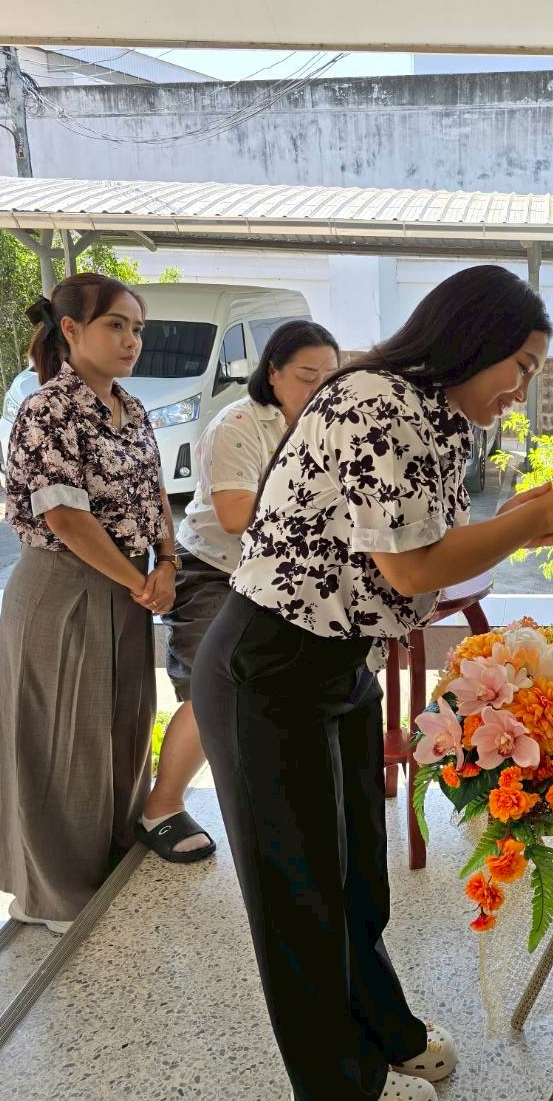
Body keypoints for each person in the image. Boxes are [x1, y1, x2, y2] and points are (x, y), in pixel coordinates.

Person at [190, 265, 553, 1101]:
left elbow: (428, 542)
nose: (522, 390)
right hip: (269, 667)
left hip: (340, 664)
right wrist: (532, 521)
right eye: (522, 367)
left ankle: (387, 1032)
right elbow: (410, 568)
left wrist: (527, 518)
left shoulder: (439, 419)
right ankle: (339, 1084)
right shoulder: (374, 400)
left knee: (357, 882)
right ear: (472, 342)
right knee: (299, 903)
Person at [0, 272, 175, 935]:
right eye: (115, 325)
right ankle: (54, 895)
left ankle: (109, 866)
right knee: (62, 742)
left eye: (137, 328)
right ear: (70, 330)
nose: (131, 340)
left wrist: (168, 563)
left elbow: (157, 495)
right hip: (63, 588)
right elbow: (66, 519)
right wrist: (141, 580)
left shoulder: (133, 408)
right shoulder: (47, 410)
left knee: (124, 729)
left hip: (128, 586)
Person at [136, 320, 341, 862]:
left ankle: (278, 797)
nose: (321, 387)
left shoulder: (329, 426)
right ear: (272, 373)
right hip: (214, 568)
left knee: (281, 692)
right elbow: (234, 515)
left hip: (283, 574)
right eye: (307, 376)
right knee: (210, 691)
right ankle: (161, 807)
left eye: (331, 376)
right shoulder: (239, 423)